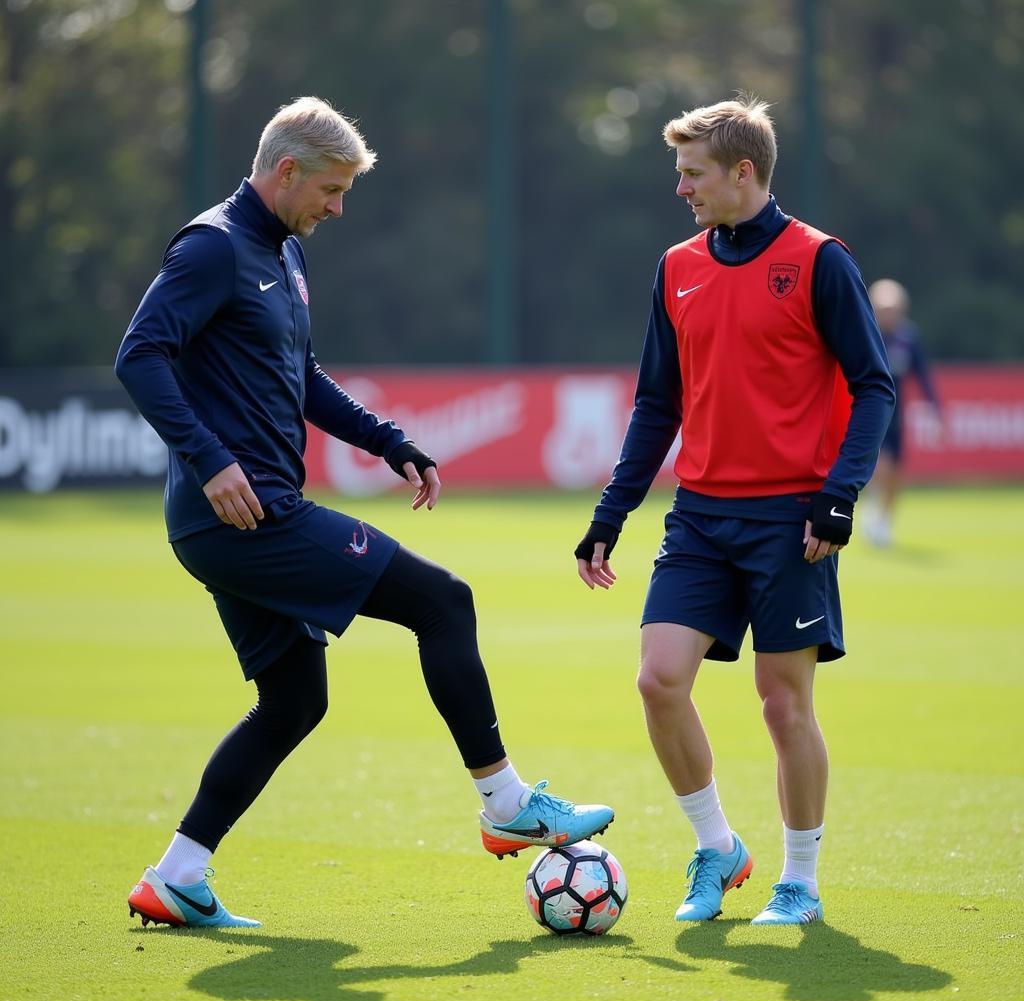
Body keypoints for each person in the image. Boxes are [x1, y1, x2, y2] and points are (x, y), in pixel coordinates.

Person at [116, 96, 613, 929]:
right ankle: (506, 803)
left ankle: (176, 876)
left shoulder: (282, 253)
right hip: (243, 514)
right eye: (331, 189)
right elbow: (140, 355)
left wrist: (389, 441)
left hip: (247, 515)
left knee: (294, 701)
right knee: (442, 601)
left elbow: (303, 377)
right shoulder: (212, 248)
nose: (338, 207)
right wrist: (209, 460)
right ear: (285, 172)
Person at [574, 96, 894, 926]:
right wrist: (611, 513)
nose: (680, 189)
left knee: (783, 704)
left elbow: (872, 386)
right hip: (700, 518)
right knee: (658, 681)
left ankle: (800, 882)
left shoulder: (819, 261)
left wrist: (839, 495)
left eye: (692, 174)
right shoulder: (676, 266)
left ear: (742, 172)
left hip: (793, 520)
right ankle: (717, 847)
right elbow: (657, 402)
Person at [864, 278, 942, 547]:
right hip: (869, 410)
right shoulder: (868, 332)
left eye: (894, 309)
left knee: (896, 474)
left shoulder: (908, 337)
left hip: (896, 415)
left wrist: (935, 408)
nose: (889, 315)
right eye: (884, 309)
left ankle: (884, 522)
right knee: (881, 465)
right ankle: (871, 513)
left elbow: (922, 375)